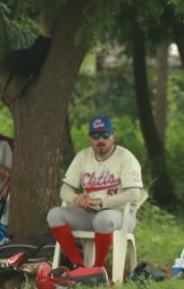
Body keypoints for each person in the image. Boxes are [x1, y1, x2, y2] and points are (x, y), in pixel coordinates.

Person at [47, 115, 144, 277]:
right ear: (89, 138)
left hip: (121, 215)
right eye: (96, 135)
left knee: (103, 219)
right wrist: (74, 198)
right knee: (54, 215)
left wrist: (102, 201)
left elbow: (134, 194)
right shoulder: (83, 156)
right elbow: (65, 189)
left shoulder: (125, 157)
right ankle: (78, 266)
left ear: (113, 136)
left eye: (105, 135)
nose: (101, 140)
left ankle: (98, 270)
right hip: (89, 213)